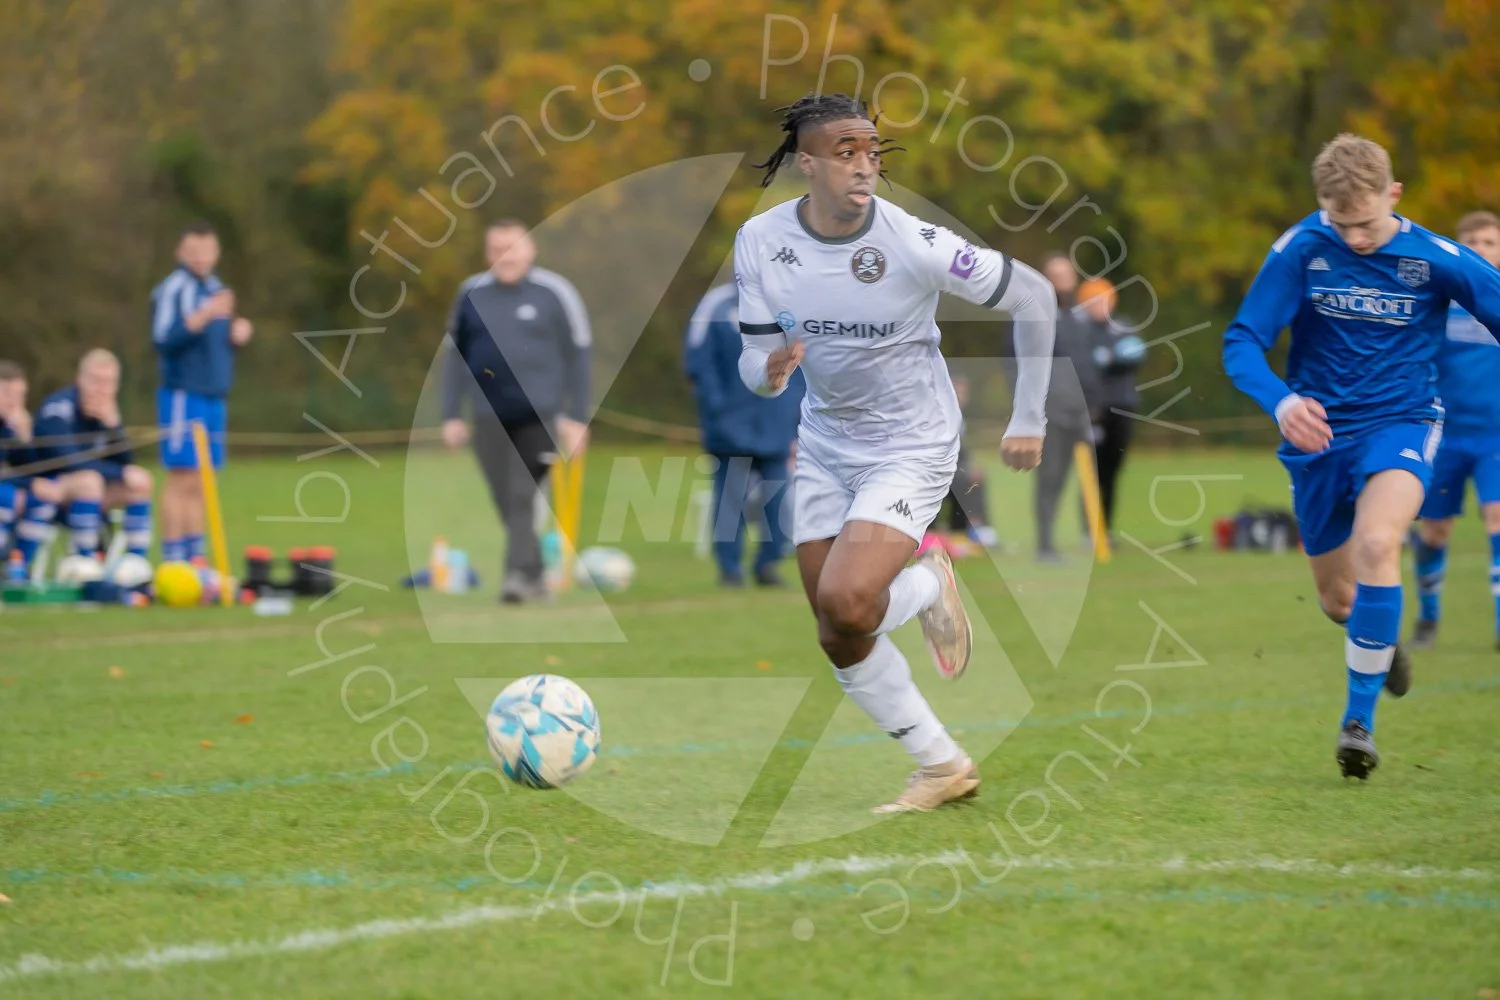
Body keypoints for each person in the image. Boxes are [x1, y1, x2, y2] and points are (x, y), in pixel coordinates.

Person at [735, 92, 1056, 813]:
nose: (864, 164)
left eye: (872, 150)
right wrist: (770, 372)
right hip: (824, 442)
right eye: (845, 151)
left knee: (850, 599)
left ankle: (923, 584)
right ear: (807, 163)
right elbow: (752, 365)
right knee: (835, 626)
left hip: (912, 443)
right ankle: (942, 765)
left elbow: (1033, 296)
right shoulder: (760, 242)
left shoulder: (910, 241)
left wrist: (1027, 416)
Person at [1222, 134, 1500, 779]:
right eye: (1340, 224)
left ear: (1394, 196)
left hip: (1403, 422)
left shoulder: (1436, 256)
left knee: (1379, 544)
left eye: (1368, 223)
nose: (1355, 239)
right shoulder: (1300, 249)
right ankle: (1382, 639)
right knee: (1339, 602)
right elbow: (1243, 341)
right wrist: (1282, 402)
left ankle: (1358, 727)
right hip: (1317, 437)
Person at [442, 219, 592, 604]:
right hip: (487, 415)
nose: (504, 257)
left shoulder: (554, 292)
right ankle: (537, 574)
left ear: (531, 250)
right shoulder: (470, 293)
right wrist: (451, 415)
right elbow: (453, 357)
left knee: (522, 493)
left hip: (540, 414)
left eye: (513, 248)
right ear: (486, 252)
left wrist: (577, 416)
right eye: (496, 249)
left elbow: (579, 355)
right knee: (505, 500)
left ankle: (515, 579)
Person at [1408, 211, 1500, 649]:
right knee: (1434, 533)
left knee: (1497, 520)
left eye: (1491, 242)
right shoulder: (1440, 300)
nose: (1482, 250)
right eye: (1474, 243)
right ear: (1460, 249)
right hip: (1442, 436)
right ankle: (1428, 616)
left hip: (1494, 438)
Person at [685, 280, 804, 588]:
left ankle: (769, 564)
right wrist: (718, 408)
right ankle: (729, 569)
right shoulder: (716, 305)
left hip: (777, 423)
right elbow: (700, 362)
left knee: (778, 499)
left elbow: (806, 363)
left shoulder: (795, 302)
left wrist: (798, 417)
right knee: (729, 498)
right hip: (730, 425)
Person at [150, 220, 253, 564]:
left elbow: (214, 346)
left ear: (217, 252)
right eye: (193, 251)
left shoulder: (216, 287)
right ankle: (173, 560)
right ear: (180, 252)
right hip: (184, 393)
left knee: (202, 481)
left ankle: (197, 560)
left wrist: (236, 336)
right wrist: (204, 316)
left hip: (214, 396)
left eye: (207, 250)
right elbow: (163, 340)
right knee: (180, 477)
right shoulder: (174, 289)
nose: (200, 257)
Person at [31, 350, 154, 564]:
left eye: (109, 382)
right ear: (80, 379)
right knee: (90, 481)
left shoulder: (106, 413)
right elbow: (68, 460)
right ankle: (83, 561)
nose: (102, 389)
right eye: (96, 381)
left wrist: (114, 425)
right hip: (48, 490)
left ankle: (135, 562)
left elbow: (126, 462)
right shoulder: (58, 410)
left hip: (95, 495)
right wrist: (120, 472)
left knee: (141, 480)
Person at [1030, 258, 1104, 561]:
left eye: (1065, 276)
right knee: (1051, 478)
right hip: (1050, 413)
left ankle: (1093, 536)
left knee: (1090, 476)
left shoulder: (1081, 319)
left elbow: (1088, 364)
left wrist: (1094, 402)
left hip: (1082, 412)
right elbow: (1018, 362)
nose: (1061, 282)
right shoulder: (1033, 315)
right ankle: (1045, 544)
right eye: (1054, 276)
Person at [1079, 277, 1144, 537]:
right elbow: (1084, 363)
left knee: (1112, 470)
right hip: (1092, 408)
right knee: (1089, 470)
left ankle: (1104, 529)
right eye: (1092, 301)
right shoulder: (1080, 330)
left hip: (1122, 406)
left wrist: (1108, 357)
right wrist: (1112, 357)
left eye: (1102, 300)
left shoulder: (1123, 325)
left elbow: (1136, 354)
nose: (1098, 306)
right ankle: (1087, 529)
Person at [0, 361, 63, 579]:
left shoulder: (9, 427)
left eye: (20, 395)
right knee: (7, 497)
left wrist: (26, 437)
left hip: (11, 488)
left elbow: (33, 468)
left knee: (43, 496)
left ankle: (19, 567)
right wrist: (27, 485)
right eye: (7, 393)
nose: (14, 402)